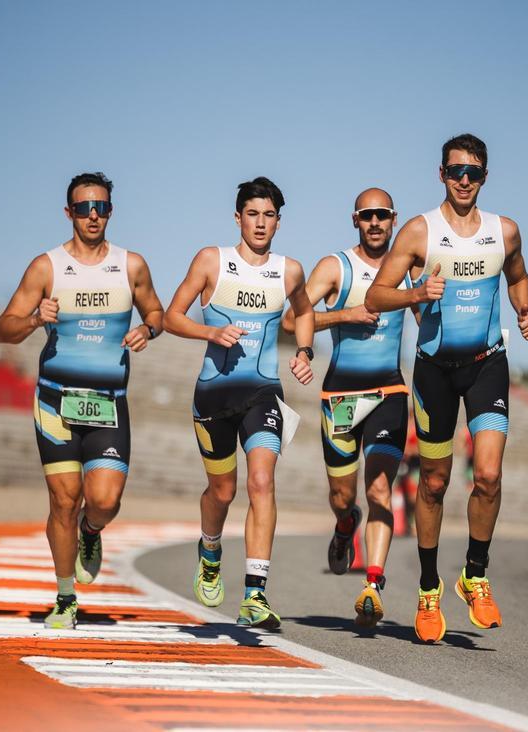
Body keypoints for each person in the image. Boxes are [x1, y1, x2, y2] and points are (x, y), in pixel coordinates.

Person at [366, 133, 528, 643]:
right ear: (441, 173)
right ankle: (427, 588)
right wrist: (416, 292)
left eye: (474, 172)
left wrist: (525, 309)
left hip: (488, 365)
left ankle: (476, 574)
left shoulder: (504, 231)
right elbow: (377, 294)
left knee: (487, 475)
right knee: (435, 483)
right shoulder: (420, 232)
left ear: (485, 176)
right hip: (434, 371)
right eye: (456, 170)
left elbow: (519, 277)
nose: (464, 180)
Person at [0, 172, 165, 630]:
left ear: (111, 211)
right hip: (55, 403)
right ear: (69, 212)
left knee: (103, 502)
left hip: (109, 401)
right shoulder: (46, 267)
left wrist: (147, 328)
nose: (94, 215)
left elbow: (156, 310)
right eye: (85, 207)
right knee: (64, 501)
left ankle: (92, 532)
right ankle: (66, 597)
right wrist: (33, 319)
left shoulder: (131, 265)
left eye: (102, 207)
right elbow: (3, 328)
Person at [164, 177, 315, 629]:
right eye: (253, 214)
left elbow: (303, 311)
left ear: (279, 221)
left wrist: (304, 351)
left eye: (269, 215)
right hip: (213, 393)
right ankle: (210, 549)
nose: (261, 223)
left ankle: (255, 592)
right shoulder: (212, 261)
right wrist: (210, 332)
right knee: (223, 492)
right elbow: (172, 317)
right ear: (238, 217)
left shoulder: (289, 270)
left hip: (263, 391)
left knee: (262, 481)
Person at [283, 187, 413, 627]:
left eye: (383, 215)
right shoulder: (336, 267)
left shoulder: (408, 269)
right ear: (355, 221)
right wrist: (346, 315)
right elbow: (290, 318)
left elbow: (429, 320)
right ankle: (345, 525)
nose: (375, 223)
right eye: (366, 216)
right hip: (339, 397)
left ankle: (373, 584)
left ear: (395, 220)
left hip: (389, 394)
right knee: (344, 497)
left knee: (379, 489)